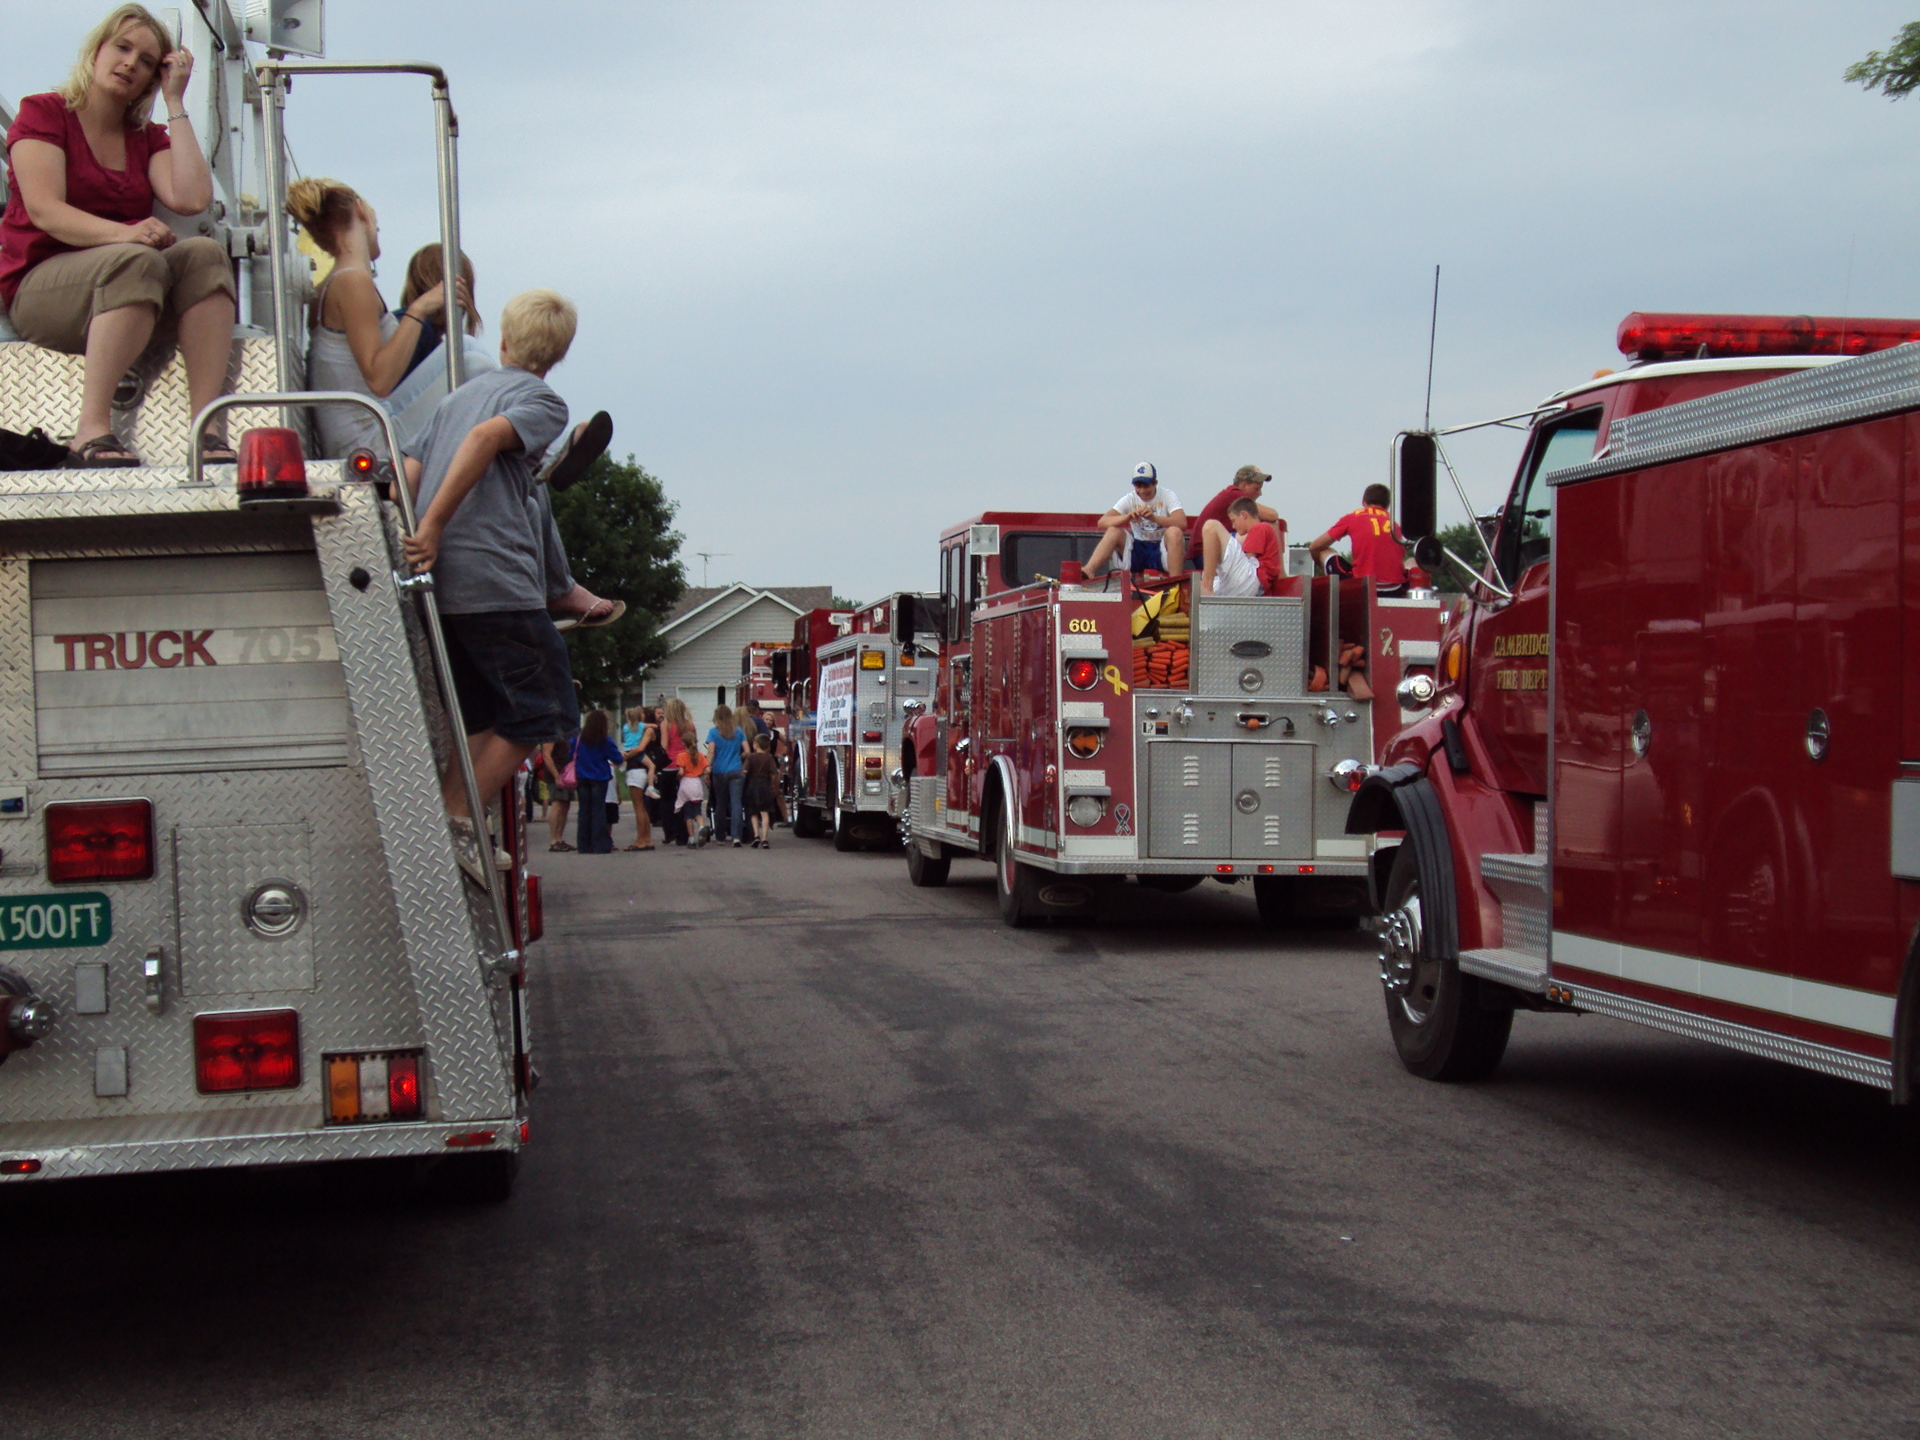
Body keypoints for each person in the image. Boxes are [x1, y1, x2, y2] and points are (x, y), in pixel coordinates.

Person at [397, 288, 581, 881]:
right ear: (559, 355)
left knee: (479, 719)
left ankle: (461, 827)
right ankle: (453, 823)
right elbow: (483, 442)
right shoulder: (542, 401)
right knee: (544, 714)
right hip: (496, 580)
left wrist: (415, 538)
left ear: (502, 341)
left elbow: (406, 475)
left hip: (443, 585)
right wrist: (433, 526)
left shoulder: (455, 400)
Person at [1, 5, 237, 466]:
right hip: (40, 289)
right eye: (122, 48)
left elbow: (192, 198)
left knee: (205, 254)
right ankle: (90, 431)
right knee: (137, 259)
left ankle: (207, 430)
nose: (130, 63)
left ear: (152, 78)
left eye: (146, 61)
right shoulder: (44, 112)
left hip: (126, 284)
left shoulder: (144, 136)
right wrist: (126, 234)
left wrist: (174, 101)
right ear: (97, 50)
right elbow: (46, 211)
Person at [284, 176, 469, 459]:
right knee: (472, 361)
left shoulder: (335, 281)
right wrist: (419, 309)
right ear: (360, 210)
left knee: (467, 350)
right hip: (368, 441)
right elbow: (380, 379)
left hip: (364, 428)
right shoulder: (352, 281)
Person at [1085, 463, 1186, 578]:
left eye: (1146, 486)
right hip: (1138, 549)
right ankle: (1089, 570)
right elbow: (1102, 522)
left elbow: (1182, 523)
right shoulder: (1130, 498)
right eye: (1138, 486)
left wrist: (1154, 518)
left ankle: (1176, 582)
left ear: (1155, 483)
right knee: (1113, 531)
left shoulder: (1167, 495)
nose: (1142, 491)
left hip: (1161, 548)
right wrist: (1128, 517)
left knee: (1174, 532)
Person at [1308, 483, 1409, 596]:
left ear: (1363, 501)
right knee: (1411, 561)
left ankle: (1328, 588)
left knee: (1324, 551)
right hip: (1394, 589)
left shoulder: (1353, 517)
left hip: (1362, 587)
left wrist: (1323, 567)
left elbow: (1315, 547)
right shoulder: (1395, 524)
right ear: (1387, 505)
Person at [1199, 497, 1282, 597]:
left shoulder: (1260, 527)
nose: (1233, 526)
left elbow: (1248, 556)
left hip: (1252, 579)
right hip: (1252, 584)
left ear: (1243, 515)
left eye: (1233, 521)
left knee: (1211, 526)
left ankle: (1206, 586)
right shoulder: (1260, 530)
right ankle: (1207, 586)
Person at [570, 708, 624, 854]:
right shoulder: (604, 740)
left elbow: (570, 755)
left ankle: (584, 844)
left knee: (584, 810)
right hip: (599, 777)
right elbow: (617, 758)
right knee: (598, 810)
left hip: (582, 776)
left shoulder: (577, 739)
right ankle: (600, 843)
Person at [1193, 464, 1283, 535]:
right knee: (1271, 523)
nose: (1260, 493)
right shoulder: (1234, 495)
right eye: (1256, 489)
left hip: (1216, 546)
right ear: (1244, 485)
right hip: (1204, 550)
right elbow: (1272, 515)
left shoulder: (1231, 494)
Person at [657, 697, 698, 846]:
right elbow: (694, 745)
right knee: (684, 800)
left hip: (669, 765)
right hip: (686, 766)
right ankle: (683, 834)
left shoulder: (666, 724)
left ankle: (669, 832)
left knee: (667, 801)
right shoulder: (689, 725)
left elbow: (664, 745)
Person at [706, 704, 748, 847]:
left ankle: (720, 836)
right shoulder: (738, 731)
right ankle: (736, 836)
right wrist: (738, 758)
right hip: (736, 770)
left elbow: (711, 751)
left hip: (719, 771)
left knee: (721, 804)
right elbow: (747, 751)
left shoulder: (713, 732)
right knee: (736, 803)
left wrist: (707, 767)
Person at [619, 705, 656, 851]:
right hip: (642, 767)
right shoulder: (644, 729)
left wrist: (625, 757)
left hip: (635, 769)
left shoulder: (626, 728)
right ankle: (647, 839)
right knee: (643, 807)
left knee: (638, 806)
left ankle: (640, 840)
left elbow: (638, 748)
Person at [743, 733, 779, 848]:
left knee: (753, 812)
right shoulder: (769, 757)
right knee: (765, 813)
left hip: (753, 785)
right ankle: (765, 839)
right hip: (765, 785)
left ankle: (756, 835)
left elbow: (745, 771)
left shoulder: (751, 757)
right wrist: (772, 784)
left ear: (756, 745)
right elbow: (774, 773)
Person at [541, 735, 576, 852]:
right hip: (556, 774)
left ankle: (560, 838)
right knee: (557, 805)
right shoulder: (551, 734)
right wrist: (556, 775)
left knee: (565, 805)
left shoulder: (566, 733)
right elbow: (546, 755)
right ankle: (553, 840)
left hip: (567, 773)